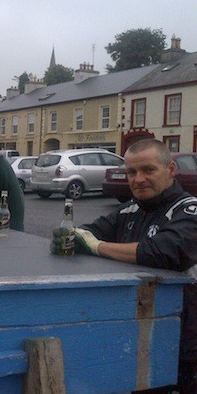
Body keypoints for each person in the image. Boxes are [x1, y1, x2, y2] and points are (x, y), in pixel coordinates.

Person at [50, 139, 197, 393]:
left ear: (170, 170)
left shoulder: (189, 209)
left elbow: (164, 252)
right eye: (131, 172)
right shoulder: (128, 210)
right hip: (134, 328)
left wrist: (96, 246)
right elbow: (88, 232)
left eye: (148, 170)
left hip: (183, 339)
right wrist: (69, 236)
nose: (138, 179)